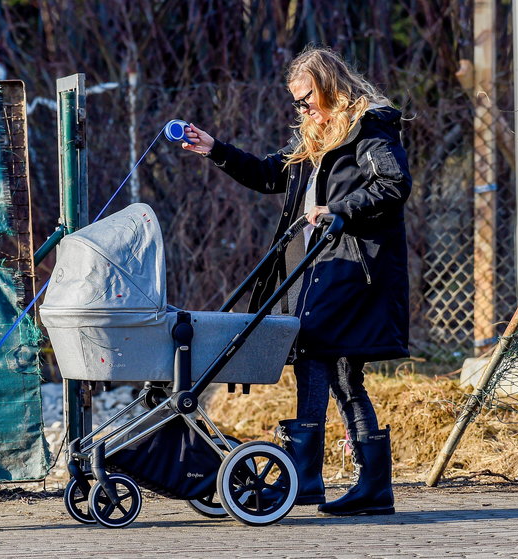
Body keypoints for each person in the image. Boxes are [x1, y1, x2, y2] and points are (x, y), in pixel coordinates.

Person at [182, 45, 411, 516]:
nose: (302, 108)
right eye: (297, 101)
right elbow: (271, 176)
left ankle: (306, 474)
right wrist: (216, 150)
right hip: (317, 263)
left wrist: (338, 210)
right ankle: (370, 487)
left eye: (307, 98)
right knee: (344, 373)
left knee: (312, 347)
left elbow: (393, 185)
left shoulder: (370, 126)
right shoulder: (316, 135)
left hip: (353, 263)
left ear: (330, 88)